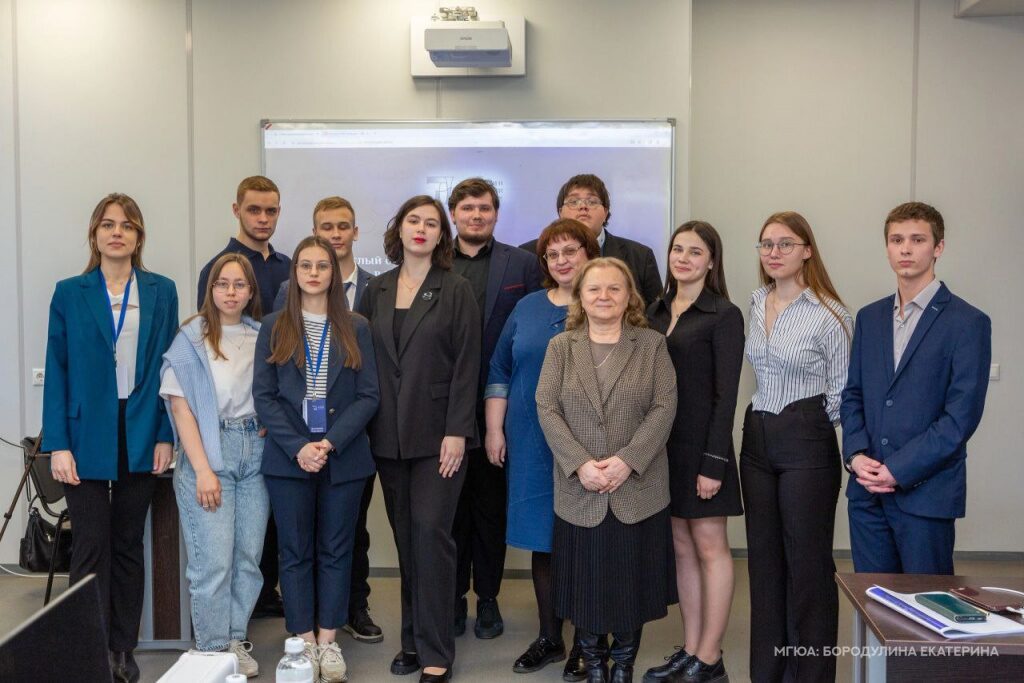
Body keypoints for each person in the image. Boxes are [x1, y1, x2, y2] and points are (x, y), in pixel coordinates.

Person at [43, 193, 179, 683]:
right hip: (84, 433)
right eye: (107, 224)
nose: (116, 232)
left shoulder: (162, 291)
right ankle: (89, 649)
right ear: (94, 234)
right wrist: (58, 444)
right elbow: (57, 370)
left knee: (127, 544)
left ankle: (122, 648)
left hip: (139, 427)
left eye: (127, 225)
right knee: (89, 545)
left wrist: (165, 434)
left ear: (139, 237)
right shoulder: (70, 292)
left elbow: (169, 368)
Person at [357, 195, 481, 683]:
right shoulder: (377, 289)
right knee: (407, 541)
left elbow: (468, 364)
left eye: (432, 223)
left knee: (431, 537)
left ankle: (436, 651)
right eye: (414, 220)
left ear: (441, 235)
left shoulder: (456, 289)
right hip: (387, 436)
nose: (422, 228)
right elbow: (363, 361)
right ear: (400, 229)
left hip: (439, 438)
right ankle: (411, 640)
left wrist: (457, 431)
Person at [536, 257, 677, 683]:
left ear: (629, 295)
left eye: (614, 288)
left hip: (637, 488)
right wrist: (580, 464)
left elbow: (664, 406)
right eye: (594, 288)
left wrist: (628, 461)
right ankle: (595, 666)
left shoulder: (651, 345)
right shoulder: (561, 346)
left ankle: (624, 667)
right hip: (581, 489)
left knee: (632, 586)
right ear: (579, 296)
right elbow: (547, 406)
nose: (604, 296)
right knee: (586, 588)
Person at [253, 236, 379, 683]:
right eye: (305, 265)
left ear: (333, 273)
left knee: (336, 550)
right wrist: (299, 446)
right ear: (295, 273)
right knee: (294, 551)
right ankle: (303, 639)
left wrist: (329, 443)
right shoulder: (274, 326)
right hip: (289, 458)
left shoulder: (356, 326)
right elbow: (264, 396)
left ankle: (328, 639)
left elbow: (369, 396)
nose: (313, 273)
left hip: (343, 457)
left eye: (322, 266)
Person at [841, 202, 991, 575]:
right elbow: (853, 394)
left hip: (926, 495)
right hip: (867, 494)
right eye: (896, 240)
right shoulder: (870, 317)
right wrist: (855, 455)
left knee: (926, 604)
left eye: (917, 240)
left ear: (938, 247)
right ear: (887, 247)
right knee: (872, 601)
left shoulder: (967, 322)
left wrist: (898, 469)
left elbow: (959, 419)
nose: (905, 249)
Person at [484, 218, 599, 676]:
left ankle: (587, 643)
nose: (562, 260)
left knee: (585, 541)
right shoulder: (527, 307)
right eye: (553, 254)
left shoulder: (603, 301)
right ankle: (550, 637)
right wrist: (495, 429)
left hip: (589, 441)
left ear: (589, 253)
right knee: (542, 539)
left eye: (571, 251)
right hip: (530, 439)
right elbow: (500, 368)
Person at [741, 211, 852, 683]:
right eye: (766, 244)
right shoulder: (755, 301)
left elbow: (842, 394)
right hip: (756, 438)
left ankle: (811, 674)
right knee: (765, 566)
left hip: (806, 439)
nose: (774, 252)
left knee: (807, 566)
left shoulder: (830, 314)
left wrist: (803, 425)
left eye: (785, 244)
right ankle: (769, 672)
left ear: (807, 250)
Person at [644, 221, 744, 683]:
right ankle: (689, 649)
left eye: (695, 251)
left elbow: (727, 396)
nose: (683, 258)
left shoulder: (723, 314)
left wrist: (714, 463)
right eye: (677, 249)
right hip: (662, 449)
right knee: (682, 549)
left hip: (704, 449)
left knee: (709, 547)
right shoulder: (656, 310)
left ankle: (710, 656)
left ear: (711, 261)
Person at [160, 254, 267, 677]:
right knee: (213, 563)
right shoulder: (191, 338)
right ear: (211, 289)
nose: (231, 292)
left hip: (255, 453)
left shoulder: (262, 335)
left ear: (251, 291)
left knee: (248, 558)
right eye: (223, 284)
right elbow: (180, 408)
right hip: (208, 451)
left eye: (239, 284)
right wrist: (203, 470)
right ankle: (212, 648)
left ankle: (234, 640)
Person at [448, 177, 542, 640]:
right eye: (467, 208)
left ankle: (487, 598)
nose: (476, 215)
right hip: (443, 407)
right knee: (449, 512)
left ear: (496, 214)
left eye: (484, 208)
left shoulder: (522, 263)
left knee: (489, 509)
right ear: (454, 214)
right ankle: (451, 601)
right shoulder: (432, 262)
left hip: (499, 407)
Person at [199, 174, 291, 617]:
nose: (263, 218)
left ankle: (264, 596)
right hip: (236, 420)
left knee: (268, 515)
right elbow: (210, 346)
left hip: (281, 413)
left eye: (271, 210)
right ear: (237, 210)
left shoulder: (290, 266)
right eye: (254, 209)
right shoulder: (218, 268)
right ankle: (237, 617)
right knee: (233, 531)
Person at [520, 174, 662, 306]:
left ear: (605, 212)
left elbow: (655, 316)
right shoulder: (528, 254)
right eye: (573, 202)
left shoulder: (640, 256)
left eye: (592, 201)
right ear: (560, 212)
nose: (583, 207)